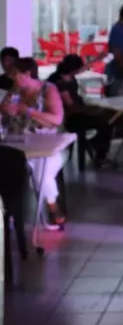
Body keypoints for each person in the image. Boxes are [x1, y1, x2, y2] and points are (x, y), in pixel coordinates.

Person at [0, 58, 65, 225]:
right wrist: (6, 110)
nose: (13, 78)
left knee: (40, 172)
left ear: (28, 74)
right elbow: (3, 110)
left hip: (45, 141)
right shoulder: (15, 90)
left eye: (15, 74)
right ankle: (9, 212)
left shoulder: (48, 89)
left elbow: (57, 119)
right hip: (17, 141)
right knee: (9, 169)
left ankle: (52, 207)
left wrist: (29, 112)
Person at [48, 54, 117, 169]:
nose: (82, 70)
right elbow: (71, 106)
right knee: (105, 122)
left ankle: (96, 142)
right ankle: (100, 157)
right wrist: (90, 110)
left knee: (111, 114)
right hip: (70, 118)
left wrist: (98, 58)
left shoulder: (66, 75)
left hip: (78, 111)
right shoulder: (60, 83)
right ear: (73, 69)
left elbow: (84, 67)